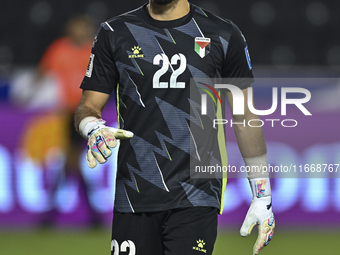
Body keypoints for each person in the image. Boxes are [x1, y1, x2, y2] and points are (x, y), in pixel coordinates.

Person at [75, 0, 275, 254]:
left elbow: (245, 118)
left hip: (197, 194)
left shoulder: (223, 34)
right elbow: (87, 107)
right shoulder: (115, 32)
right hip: (135, 192)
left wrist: (262, 196)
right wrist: (92, 127)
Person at [37, 15, 101, 227]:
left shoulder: (93, 50)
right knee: (71, 163)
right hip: (68, 114)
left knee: (71, 161)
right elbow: (43, 72)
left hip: (86, 113)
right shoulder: (59, 49)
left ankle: (51, 215)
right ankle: (92, 216)